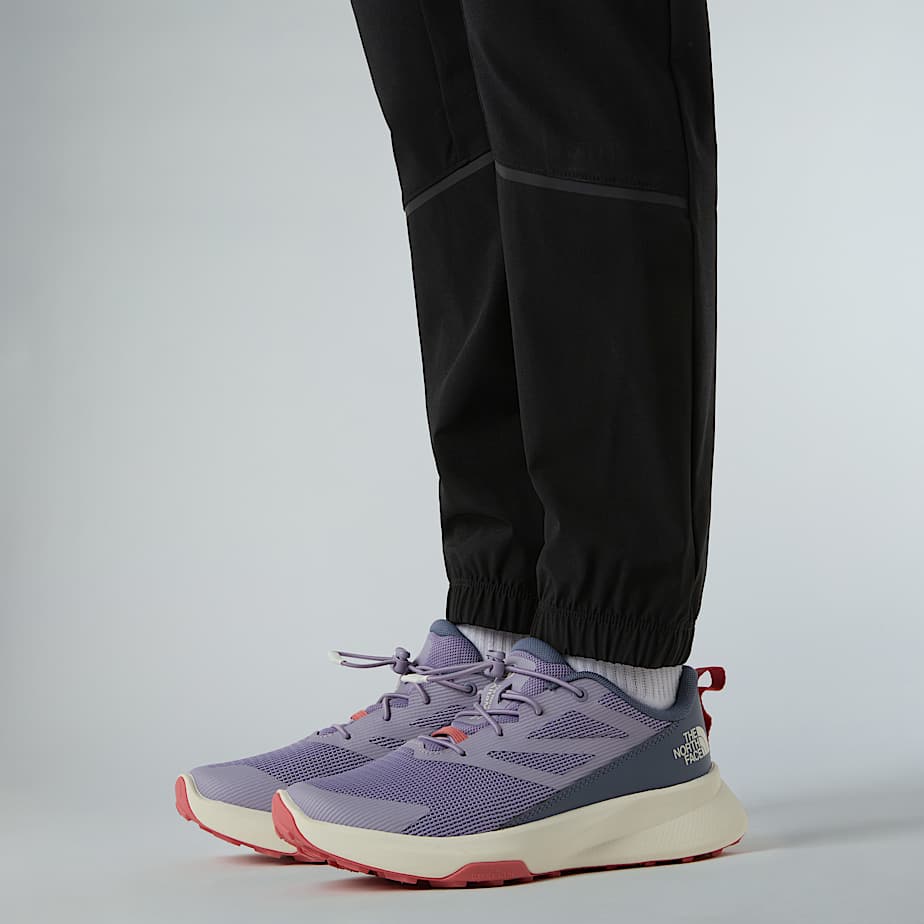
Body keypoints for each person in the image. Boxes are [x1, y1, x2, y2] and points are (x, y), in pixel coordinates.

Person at [175, 0, 747, 885]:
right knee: (447, 107)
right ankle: (502, 642)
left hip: (623, 646)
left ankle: (617, 681)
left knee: (576, 75)